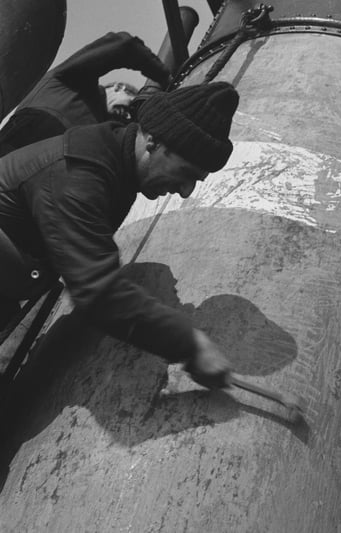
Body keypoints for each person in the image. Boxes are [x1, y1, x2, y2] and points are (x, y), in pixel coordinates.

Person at [0, 81, 239, 389]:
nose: (185, 191)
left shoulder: (116, 163)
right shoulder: (79, 174)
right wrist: (189, 343)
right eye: (186, 173)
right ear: (153, 142)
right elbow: (97, 288)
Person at [0, 31, 170, 156]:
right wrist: (164, 76)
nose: (127, 116)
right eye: (130, 105)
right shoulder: (74, 82)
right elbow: (123, 45)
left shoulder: (102, 133)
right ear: (117, 88)